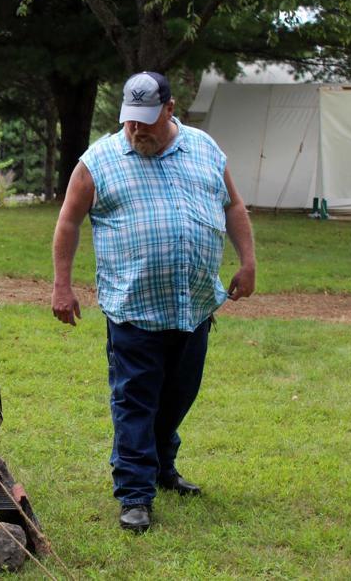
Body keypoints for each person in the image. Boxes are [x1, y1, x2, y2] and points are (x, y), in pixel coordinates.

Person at [51, 71, 256, 533]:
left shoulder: (205, 148)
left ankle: (162, 467)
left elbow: (233, 207)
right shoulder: (99, 161)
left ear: (170, 108)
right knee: (136, 401)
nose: (137, 130)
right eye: (129, 121)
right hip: (134, 309)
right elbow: (68, 222)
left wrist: (248, 262)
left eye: (147, 120)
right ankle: (135, 492)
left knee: (178, 396)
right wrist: (62, 286)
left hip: (194, 305)